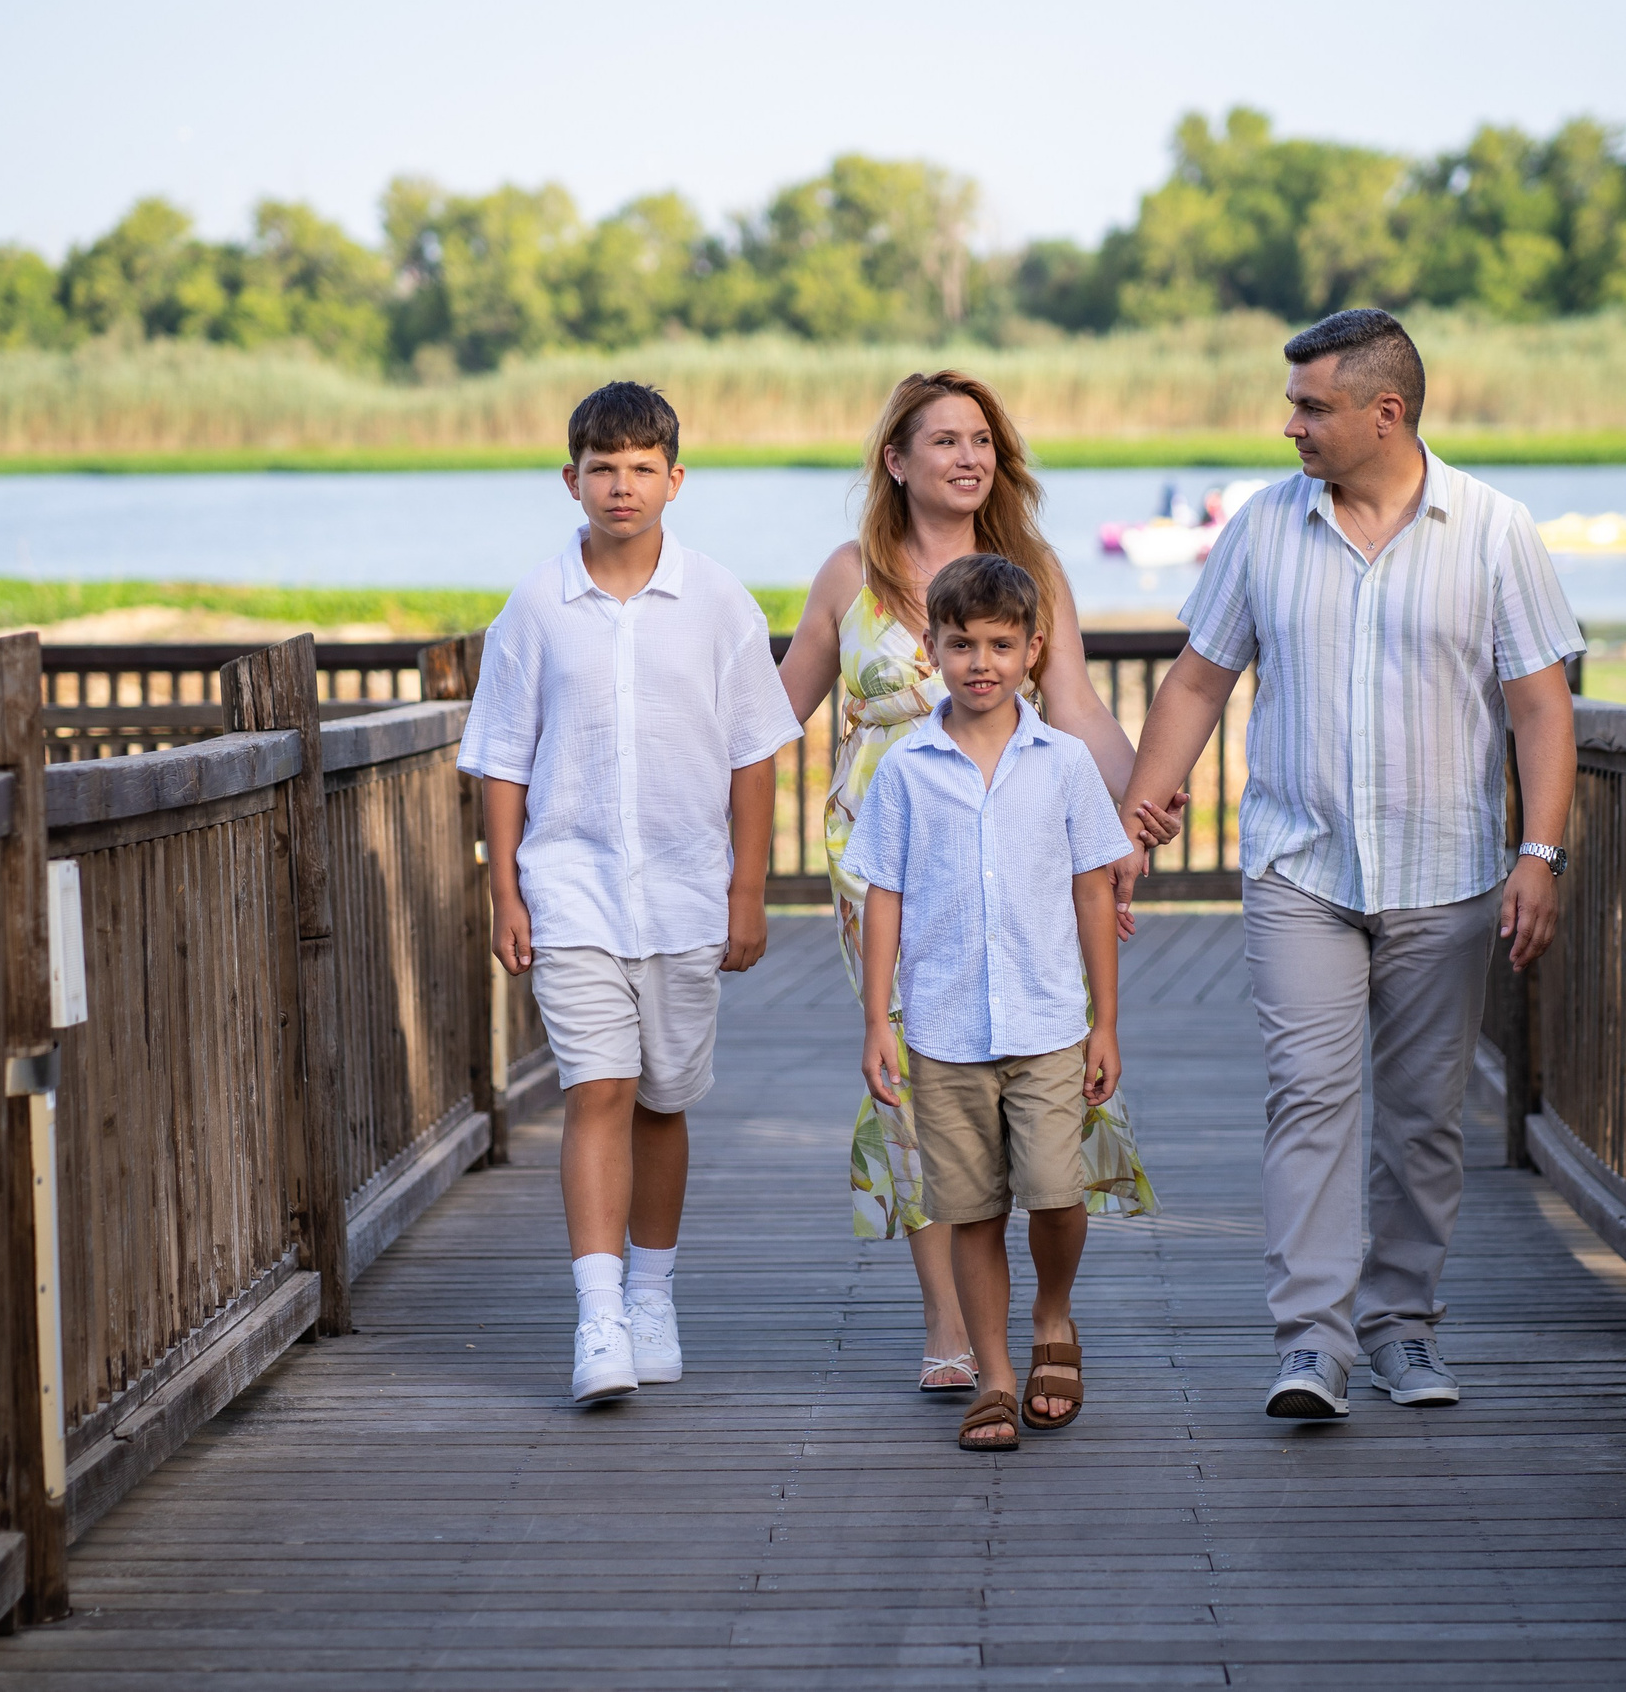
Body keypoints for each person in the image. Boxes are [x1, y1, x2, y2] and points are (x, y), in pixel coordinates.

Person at [1111, 309, 1581, 1418]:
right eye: (1292, 404)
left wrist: (1539, 854)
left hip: (1449, 874)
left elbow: (1539, 708)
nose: (1290, 427)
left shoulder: (1494, 530)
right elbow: (1194, 682)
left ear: (1387, 412)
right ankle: (1311, 1344)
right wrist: (1135, 815)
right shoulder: (1263, 529)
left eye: (1311, 406)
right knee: (1308, 1101)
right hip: (1298, 867)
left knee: (1422, 1118)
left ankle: (1401, 1326)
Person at [776, 370, 1164, 1395]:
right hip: (888, 859)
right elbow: (772, 714)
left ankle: (1037, 1305)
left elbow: (1075, 706)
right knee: (918, 1067)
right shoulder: (846, 576)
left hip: (1022, 857)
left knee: (1030, 1047)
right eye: (942, 440)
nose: (967, 457)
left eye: (981, 440)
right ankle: (947, 1318)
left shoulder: (1028, 569)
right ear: (896, 461)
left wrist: (1132, 816)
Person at [458, 380, 802, 1404]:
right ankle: (598, 1317)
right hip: (570, 889)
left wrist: (750, 890)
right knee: (595, 1089)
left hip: (688, 893)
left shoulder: (718, 602)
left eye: (642, 467)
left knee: (662, 1098)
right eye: (602, 467)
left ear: (675, 480)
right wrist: (506, 893)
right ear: (570, 480)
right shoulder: (533, 606)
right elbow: (503, 761)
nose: (621, 485)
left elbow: (754, 754)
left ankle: (652, 1292)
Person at [844, 553, 1133, 1450]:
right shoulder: (904, 771)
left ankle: (1054, 1315)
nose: (981, 662)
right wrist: (878, 1023)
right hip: (942, 1027)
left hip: (1048, 1021)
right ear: (930, 648)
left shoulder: (1066, 764)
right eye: (961, 642)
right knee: (970, 1207)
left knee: (1054, 1191)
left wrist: (1106, 1022)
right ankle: (997, 1374)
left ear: (1033, 649)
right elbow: (882, 894)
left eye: (1001, 645)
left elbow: (1094, 890)